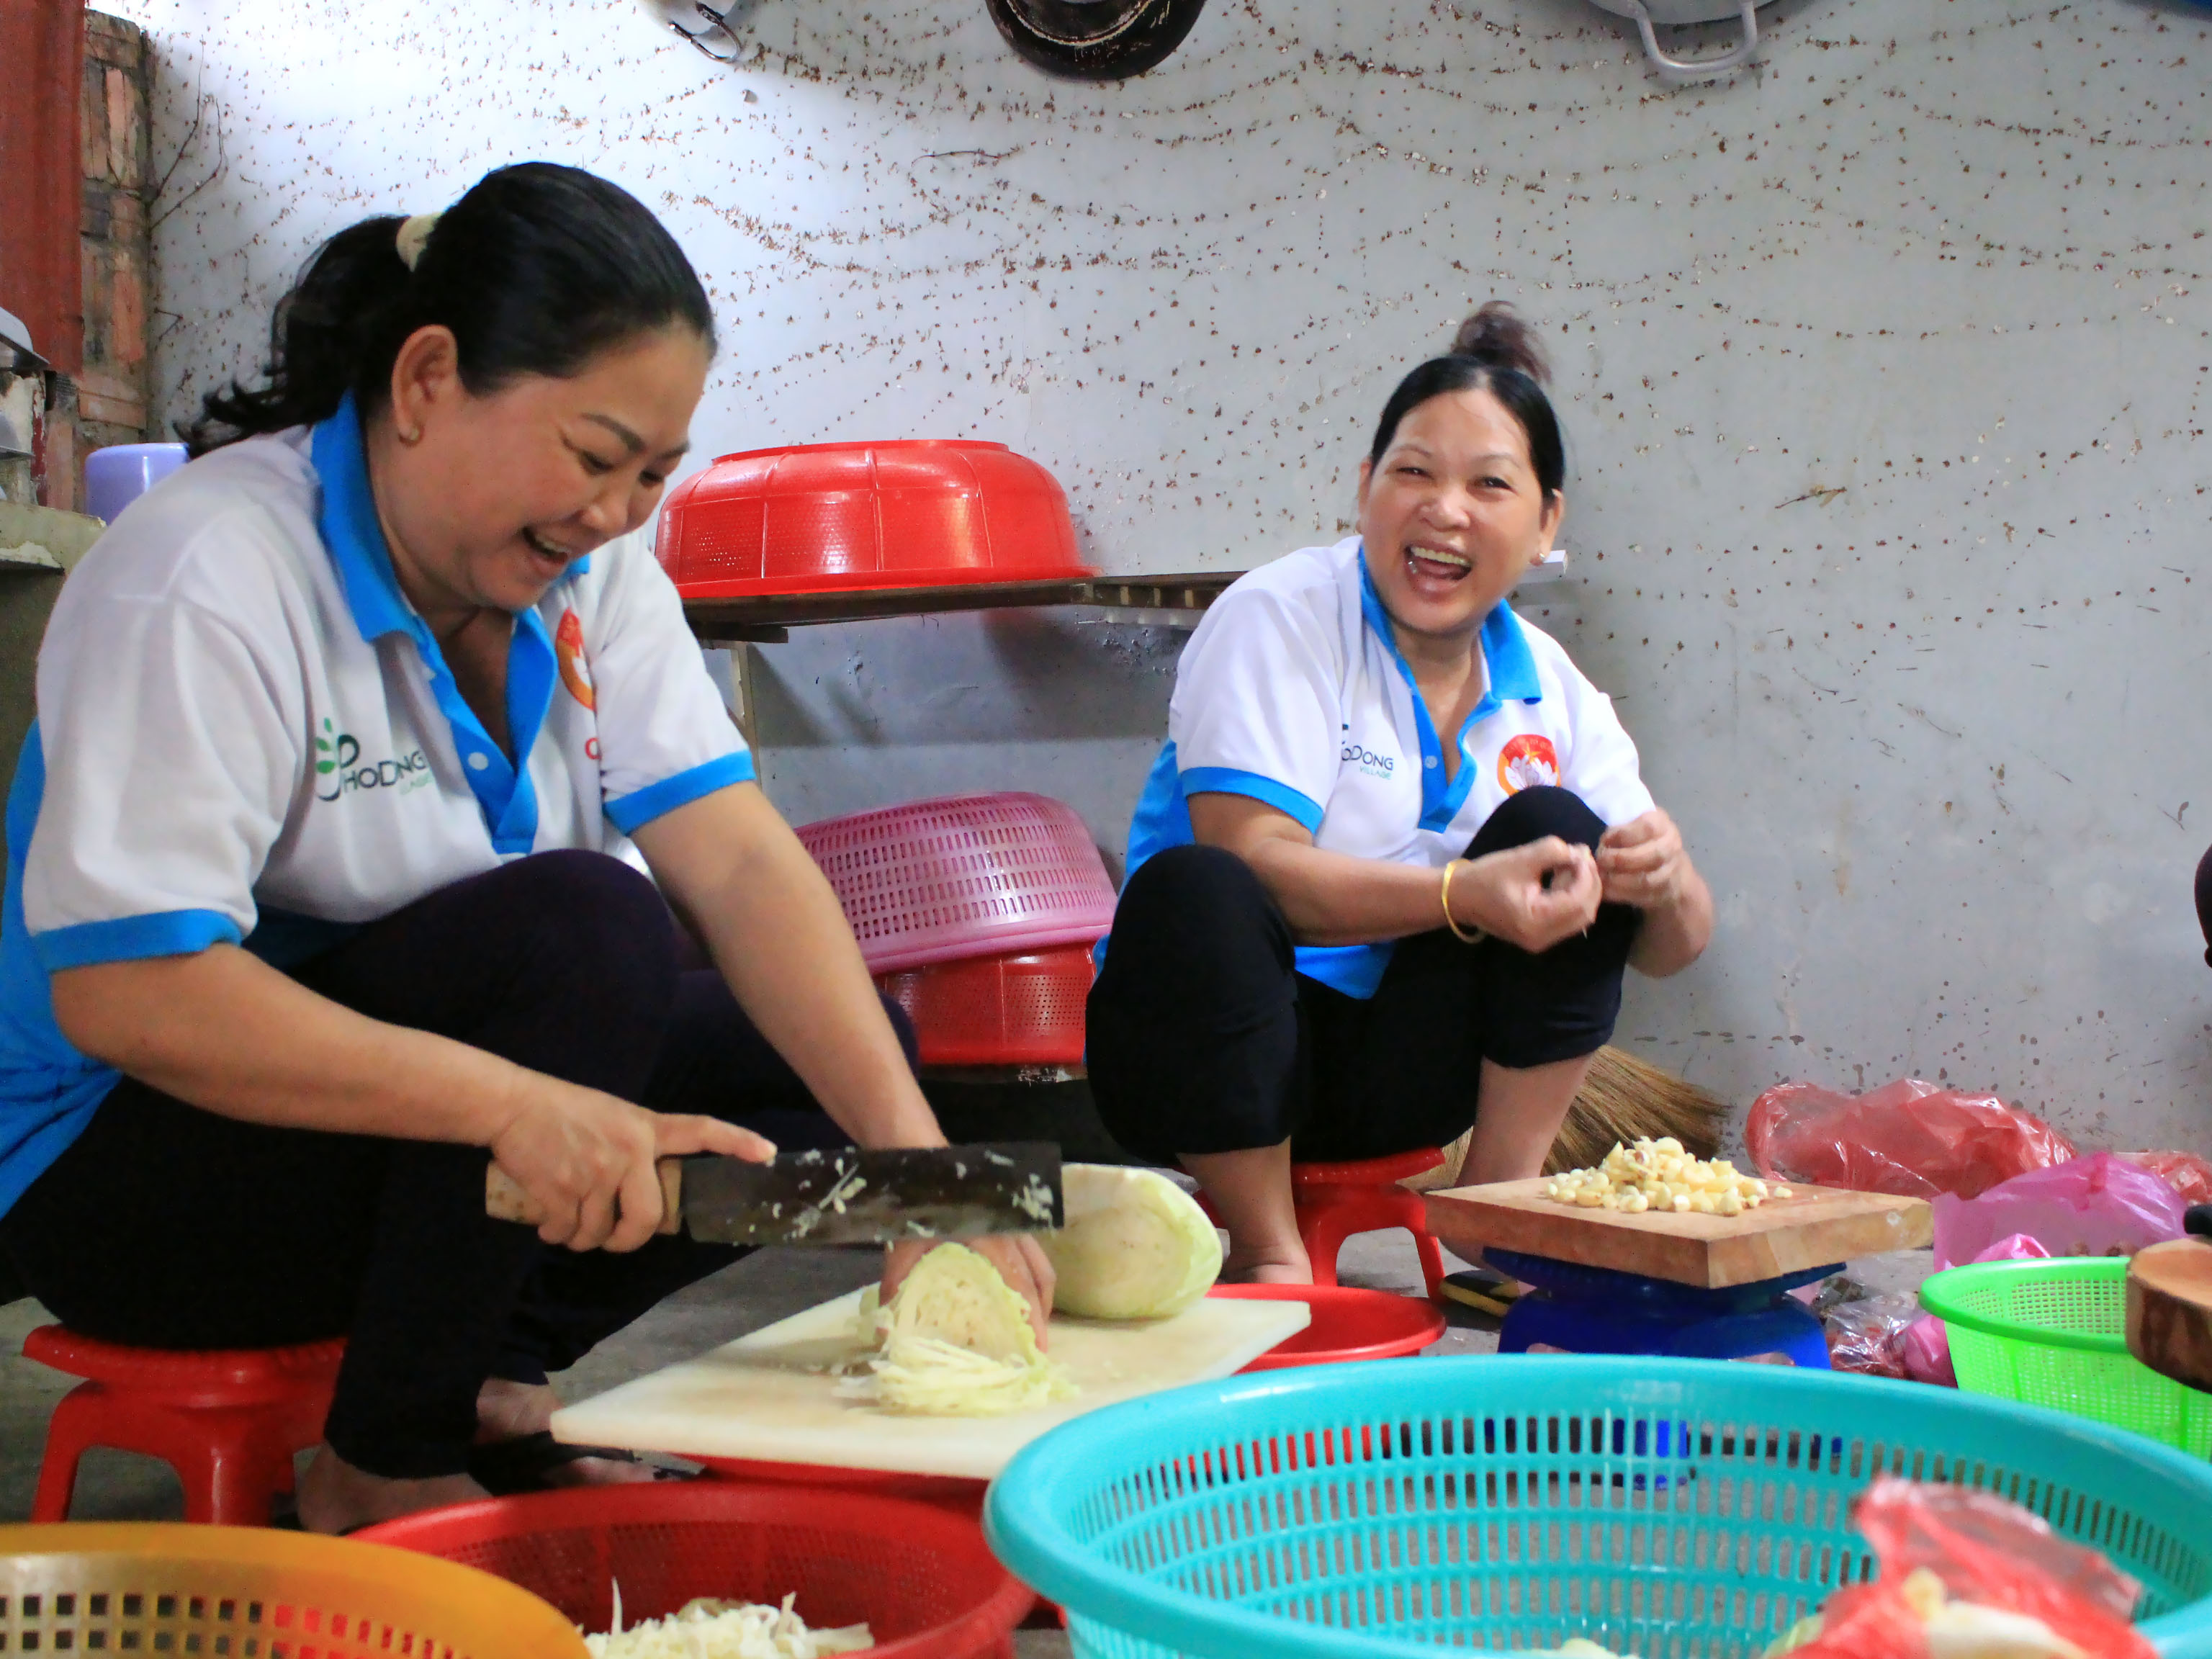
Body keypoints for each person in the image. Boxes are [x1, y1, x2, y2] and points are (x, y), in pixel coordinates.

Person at [0, 163, 1051, 1532]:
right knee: (582, 933)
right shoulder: (209, 574)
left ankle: (483, 1379)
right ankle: (384, 1452)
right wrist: (515, 1109)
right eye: (594, 456)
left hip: (366, 1131)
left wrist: (933, 1184)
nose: (615, 513)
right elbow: (130, 992)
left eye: (655, 476)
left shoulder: (589, 574)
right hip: (123, 1181)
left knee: (822, 1082)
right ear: (428, 379)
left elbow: (734, 861)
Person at [1085, 304, 1713, 1283]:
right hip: (1206, 1060)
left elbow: (1673, 949)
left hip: (1402, 1077)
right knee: (1197, 887)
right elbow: (1256, 864)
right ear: (1364, 489)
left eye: (1489, 485)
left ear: (1546, 522)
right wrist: (1463, 893)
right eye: (1413, 472)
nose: (1445, 510)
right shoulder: (1281, 617)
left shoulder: (1549, 685)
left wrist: (1663, 881)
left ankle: (1496, 1209)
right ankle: (1268, 1253)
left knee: (1567, 835)